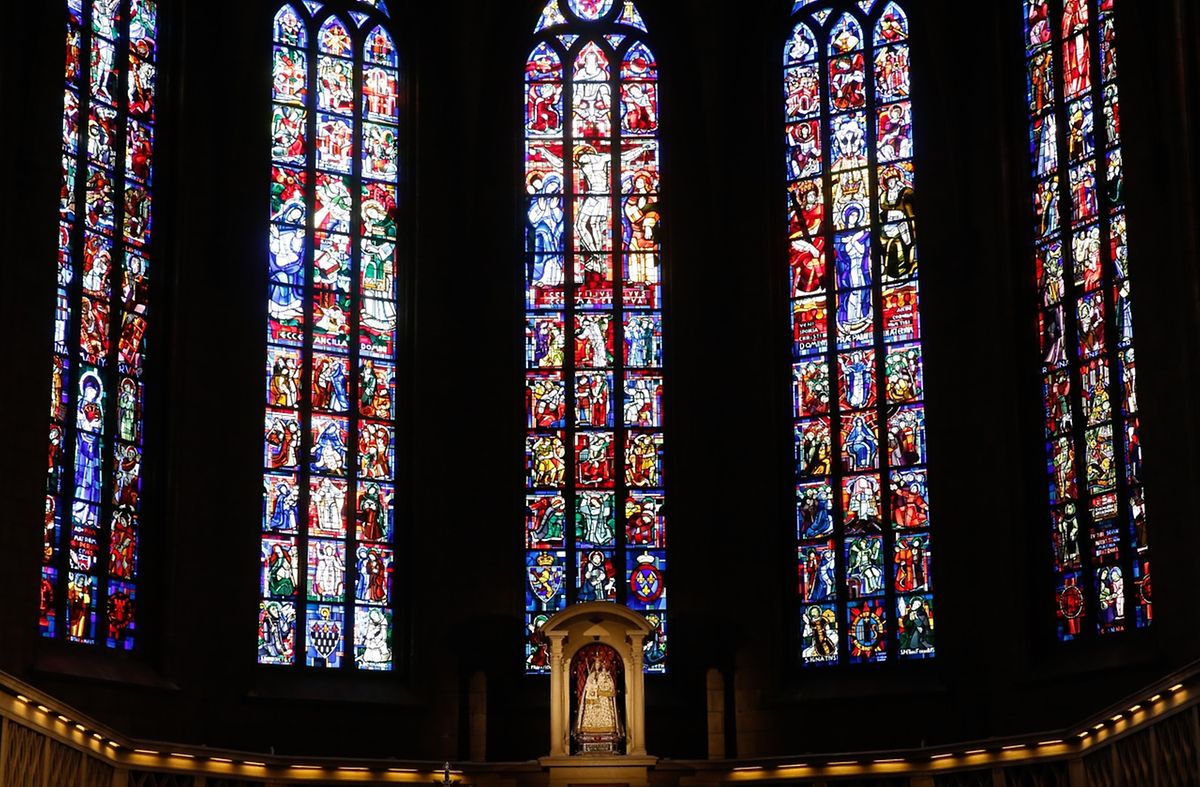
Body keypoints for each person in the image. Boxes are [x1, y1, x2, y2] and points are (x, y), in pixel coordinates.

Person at [576, 653, 621, 736]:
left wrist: (600, 686)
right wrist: (592, 685)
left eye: (598, 664)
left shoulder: (605, 675)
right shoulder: (591, 675)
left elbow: (609, 686)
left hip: (603, 699)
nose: (597, 666)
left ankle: (607, 729)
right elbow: (587, 687)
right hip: (593, 699)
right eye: (596, 664)